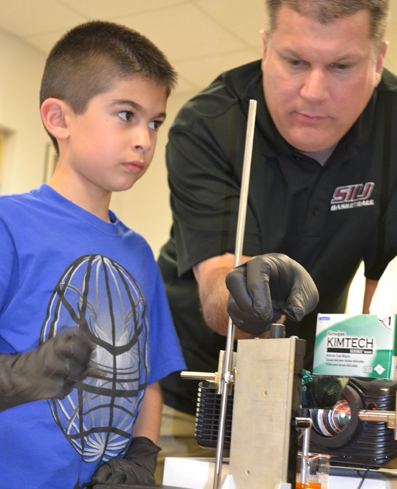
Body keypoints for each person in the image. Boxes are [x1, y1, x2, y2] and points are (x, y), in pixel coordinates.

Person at [157, 0, 397, 435]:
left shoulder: (394, 125)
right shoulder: (209, 125)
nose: (313, 91)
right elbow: (217, 287)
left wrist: (357, 394)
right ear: (266, 49)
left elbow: (378, 303)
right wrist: (245, 301)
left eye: (342, 66)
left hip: (305, 396)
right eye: (295, 61)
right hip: (189, 391)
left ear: (378, 60)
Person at [0, 21, 186, 489]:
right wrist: (20, 377)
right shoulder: (8, 225)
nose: (145, 138)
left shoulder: (139, 253)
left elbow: (148, 384)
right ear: (59, 118)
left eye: (155, 122)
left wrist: (142, 455)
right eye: (126, 114)